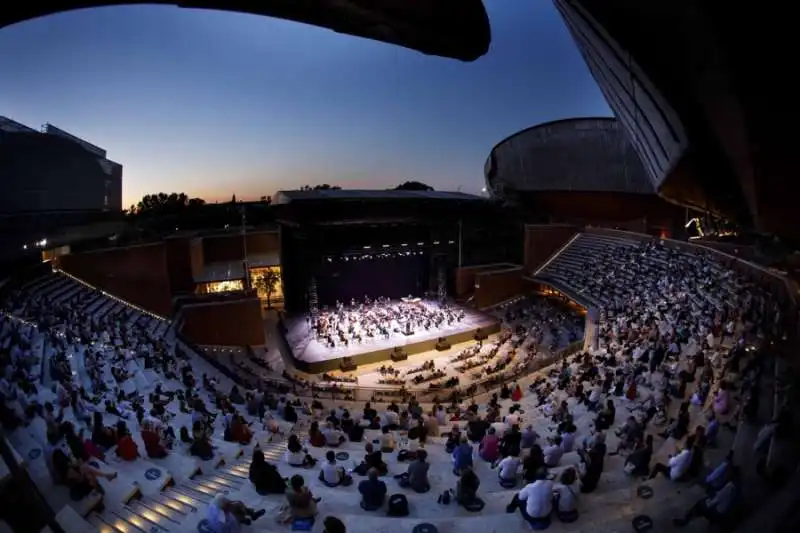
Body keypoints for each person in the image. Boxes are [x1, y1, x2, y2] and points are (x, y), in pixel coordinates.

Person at [673, 470, 738, 527]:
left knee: (700, 505)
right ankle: (706, 517)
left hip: (719, 512)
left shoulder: (728, 487)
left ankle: (686, 520)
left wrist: (707, 500)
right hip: (723, 508)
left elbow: (714, 501)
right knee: (703, 503)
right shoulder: (732, 487)